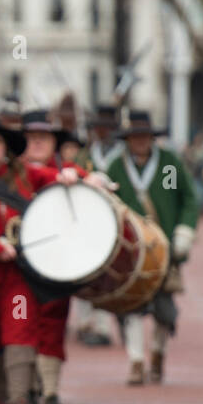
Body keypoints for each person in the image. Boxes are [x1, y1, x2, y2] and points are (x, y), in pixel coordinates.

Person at [0, 117, 83, 404]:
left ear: (7, 148)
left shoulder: (25, 176)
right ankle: (0, 398)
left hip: (18, 275)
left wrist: (72, 174)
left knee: (20, 329)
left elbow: (57, 176)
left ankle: (20, 399)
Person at [105, 110, 198, 385]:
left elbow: (189, 200)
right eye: (135, 137)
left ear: (152, 137)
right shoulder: (115, 167)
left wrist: (185, 231)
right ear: (127, 139)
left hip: (165, 247)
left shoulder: (170, 163)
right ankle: (135, 361)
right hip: (130, 251)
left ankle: (157, 353)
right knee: (131, 305)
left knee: (164, 309)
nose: (140, 141)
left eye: (144, 136)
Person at [20, 109, 89, 404]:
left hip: (58, 260)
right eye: (31, 137)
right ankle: (26, 386)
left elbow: (89, 188)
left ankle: (49, 391)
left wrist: (90, 180)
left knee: (54, 324)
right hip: (18, 263)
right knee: (23, 324)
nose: (36, 143)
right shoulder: (13, 172)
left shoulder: (71, 170)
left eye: (43, 137)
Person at [74, 104, 124, 347]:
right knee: (84, 271)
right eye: (98, 127)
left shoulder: (123, 157)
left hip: (117, 220)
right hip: (87, 220)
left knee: (110, 273)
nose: (101, 132)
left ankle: (110, 321)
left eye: (106, 127)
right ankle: (87, 322)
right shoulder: (83, 157)